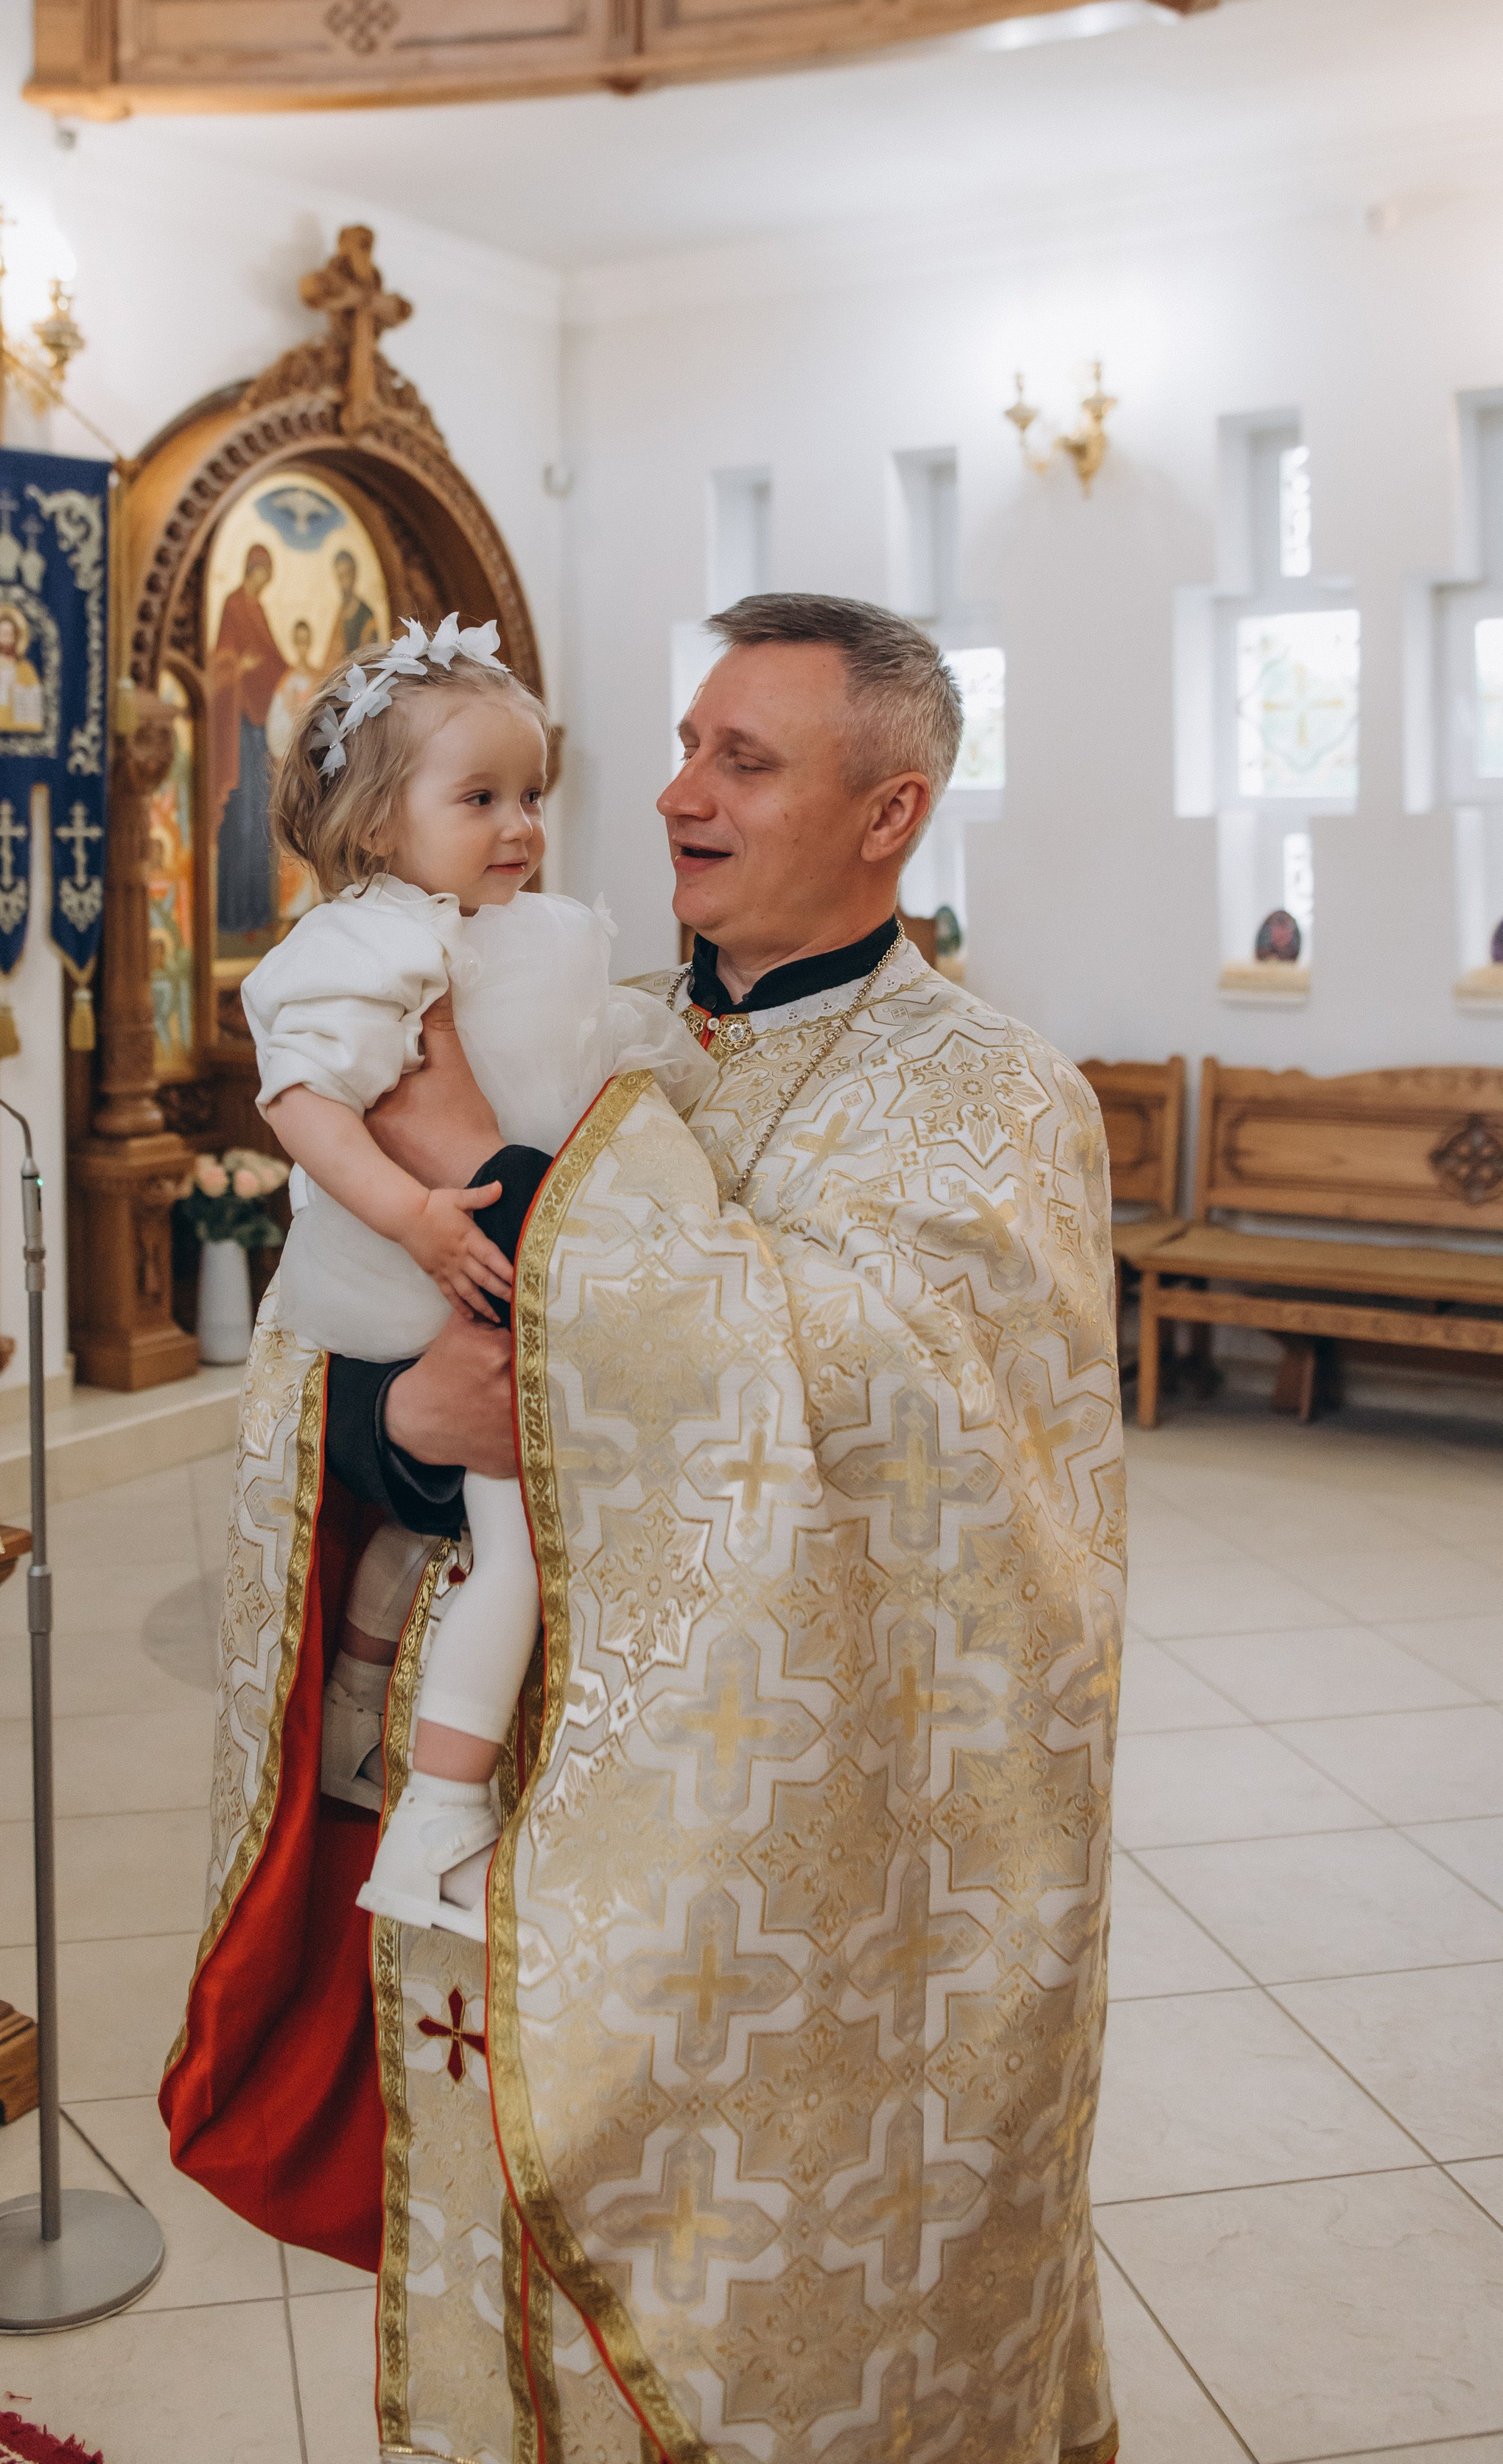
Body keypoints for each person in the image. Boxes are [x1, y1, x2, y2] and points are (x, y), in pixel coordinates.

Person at [165, 594, 1126, 2464]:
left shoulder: (991, 1096)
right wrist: (402, 1423)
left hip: (781, 1867)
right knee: (492, 2258)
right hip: (499, 1782)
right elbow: (338, 1339)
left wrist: (509, 1193)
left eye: (742, 760)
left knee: (744, 2326)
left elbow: (926, 1455)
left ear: (887, 811)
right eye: (682, 746)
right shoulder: (582, 1022)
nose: (674, 792)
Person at [240, 612, 709, 1936]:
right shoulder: (369, 940)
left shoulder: (507, 931)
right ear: (380, 825)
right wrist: (420, 1213)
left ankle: (402, 1783)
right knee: (507, 1552)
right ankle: (432, 1816)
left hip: (483, 1255)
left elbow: (574, 1056)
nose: (521, 825)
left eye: (532, 795)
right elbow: (302, 1098)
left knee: (489, 1547)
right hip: (418, 1265)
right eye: (481, 797)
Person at [209, 543, 285, 938]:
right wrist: (242, 666)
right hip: (237, 728)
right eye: (262, 573)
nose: (264, 581)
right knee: (239, 819)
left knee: (260, 819)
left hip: (261, 728)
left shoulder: (258, 610)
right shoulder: (234, 606)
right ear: (252, 568)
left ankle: (258, 915)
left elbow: (276, 659)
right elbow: (218, 663)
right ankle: (232, 918)